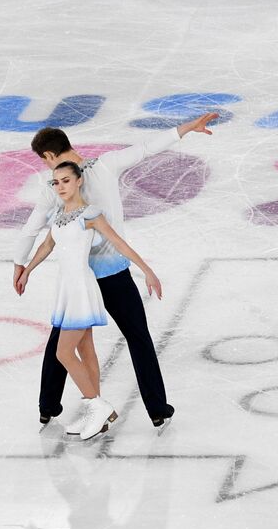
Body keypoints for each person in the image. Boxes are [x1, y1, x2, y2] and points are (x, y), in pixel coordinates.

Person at [13, 113, 219, 431]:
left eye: (44, 162)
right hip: (113, 275)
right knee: (138, 338)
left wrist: (20, 263)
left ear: (50, 156)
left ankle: (47, 406)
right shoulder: (106, 164)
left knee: (61, 341)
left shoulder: (53, 185)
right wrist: (185, 129)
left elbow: (33, 229)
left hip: (78, 280)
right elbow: (147, 148)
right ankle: (157, 408)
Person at [20, 163, 162, 440]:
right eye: (56, 182)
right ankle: (94, 409)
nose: (60, 187)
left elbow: (119, 243)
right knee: (86, 350)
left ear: (79, 181)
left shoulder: (90, 215)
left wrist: (147, 270)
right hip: (66, 289)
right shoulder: (59, 214)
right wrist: (27, 270)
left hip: (82, 289)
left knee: (62, 352)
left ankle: (98, 407)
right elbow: (47, 246)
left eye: (65, 181)